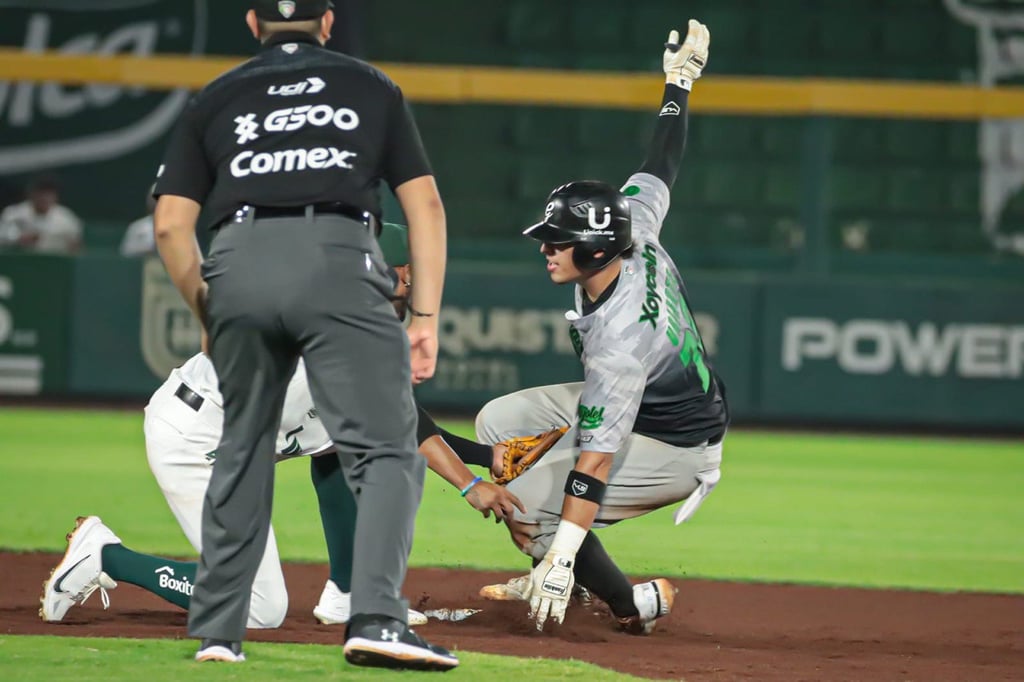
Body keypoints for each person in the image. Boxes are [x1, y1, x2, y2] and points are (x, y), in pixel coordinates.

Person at [151, 0, 450, 668]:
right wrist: (425, 317)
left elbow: (170, 224)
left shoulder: (217, 94)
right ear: (328, 22)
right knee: (385, 450)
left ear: (253, 23)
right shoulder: (369, 85)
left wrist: (209, 311)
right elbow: (425, 205)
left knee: (242, 450)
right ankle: (375, 617)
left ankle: (219, 634)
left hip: (237, 259)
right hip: (338, 256)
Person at [472, 20, 727, 635]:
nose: (546, 249)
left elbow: (595, 465)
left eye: (558, 241)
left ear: (594, 249)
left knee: (532, 508)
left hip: (675, 446)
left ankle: (627, 604)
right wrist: (679, 83)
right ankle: (559, 562)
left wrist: (561, 554)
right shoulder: (632, 224)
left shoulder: (620, 344)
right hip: (651, 405)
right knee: (498, 425)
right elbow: (661, 161)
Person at [0, 175, 82, 254]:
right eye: (41, 193)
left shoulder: (67, 218)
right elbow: (3, 236)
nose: (44, 198)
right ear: (32, 193)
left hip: (53, 261)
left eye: (49, 194)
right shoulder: (13, 213)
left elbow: (76, 246)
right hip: (19, 260)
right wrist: (18, 239)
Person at [120, 185, 158, 257]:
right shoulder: (137, 227)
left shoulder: (177, 227)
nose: (155, 202)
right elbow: (127, 253)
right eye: (153, 198)